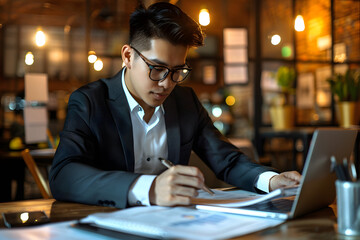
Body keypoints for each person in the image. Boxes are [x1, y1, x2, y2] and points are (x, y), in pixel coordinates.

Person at [49, 2, 301, 209]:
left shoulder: (185, 102)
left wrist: (272, 180)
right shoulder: (90, 102)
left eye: (177, 70)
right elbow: (63, 175)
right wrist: (150, 188)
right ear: (128, 56)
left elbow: (227, 160)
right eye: (157, 69)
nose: (167, 83)